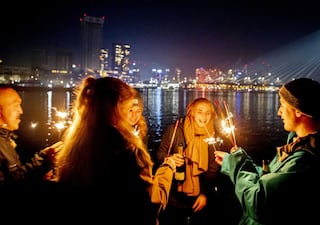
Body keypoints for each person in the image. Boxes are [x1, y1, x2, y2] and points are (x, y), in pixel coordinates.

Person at [214, 78, 320, 225]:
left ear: (298, 110)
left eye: (283, 105)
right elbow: (271, 178)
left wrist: (237, 164)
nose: (279, 112)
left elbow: (256, 204)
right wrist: (232, 162)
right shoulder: (303, 143)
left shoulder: (304, 160)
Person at [52, 76, 176, 224]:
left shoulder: (75, 144)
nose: (133, 115)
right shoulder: (126, 150)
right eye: (129, 108)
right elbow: (149, 204)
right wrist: (167, 170)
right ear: (117, 107)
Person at [155, 97, 239, 225]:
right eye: (199, 111)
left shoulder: (214, 136)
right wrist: (170, 159)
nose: (204, 117)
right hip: (173, 195)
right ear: (191, 112)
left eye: (208, 113)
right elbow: (160, 154)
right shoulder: (175, 129)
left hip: (200, 196)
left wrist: (204, 194)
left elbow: (213, 168)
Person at [0, 85, 63, 195]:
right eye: (16, 106)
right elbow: (11, 188)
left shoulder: (6, 141)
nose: (21, 111)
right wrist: (44, 160)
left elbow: (15, 178)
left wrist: (39, 178)